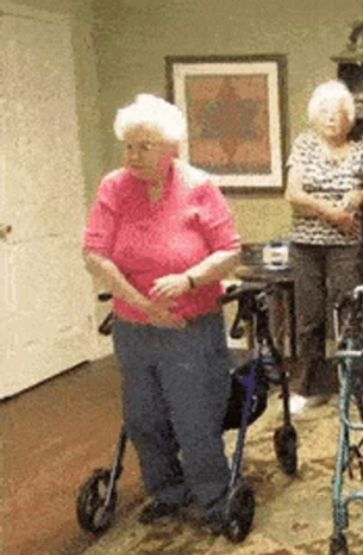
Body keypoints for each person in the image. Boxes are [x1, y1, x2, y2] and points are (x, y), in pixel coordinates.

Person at [83, 94, 241, 531]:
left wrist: (188, 279)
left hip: (190, 327)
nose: (132, 155)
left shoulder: (199, 186)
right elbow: (94, 253)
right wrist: (143, 305)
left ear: (171, 147)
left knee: (194, 421)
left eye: (143, 146)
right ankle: (167, 493)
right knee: (144, 419)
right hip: (135, 328)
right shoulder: (114, 186)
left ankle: (213, 501)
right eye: (128, 146)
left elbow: (229, 252)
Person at [284, 80, 363, 413]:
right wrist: (332, 212)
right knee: (310, 318)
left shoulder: (360, 151)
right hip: (306, 246)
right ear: (316, 117)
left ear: (350, 118)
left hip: (346, 247)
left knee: (353, 314)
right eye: (326, 112)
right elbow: (293, 194)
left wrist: (361, 195)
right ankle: (309, 388)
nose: (333, 118)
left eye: (340, 112)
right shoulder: (304, 145)